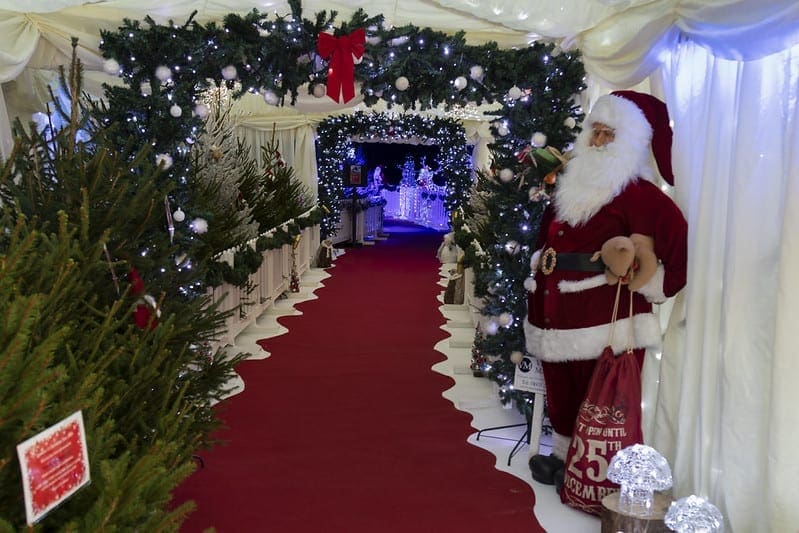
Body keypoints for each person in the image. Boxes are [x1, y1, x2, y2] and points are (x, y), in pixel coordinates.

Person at [524, 91, 688, 490]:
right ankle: (568, 463)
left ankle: (599, 475)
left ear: (628, 143)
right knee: (562, 395)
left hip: (604, 324)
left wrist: (650, 285)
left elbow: (679, 247)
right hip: (554, 319)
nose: (597, 142)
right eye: (594, 133)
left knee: (597, 399)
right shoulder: (569, 188)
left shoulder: (640, 195)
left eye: (607, 135)